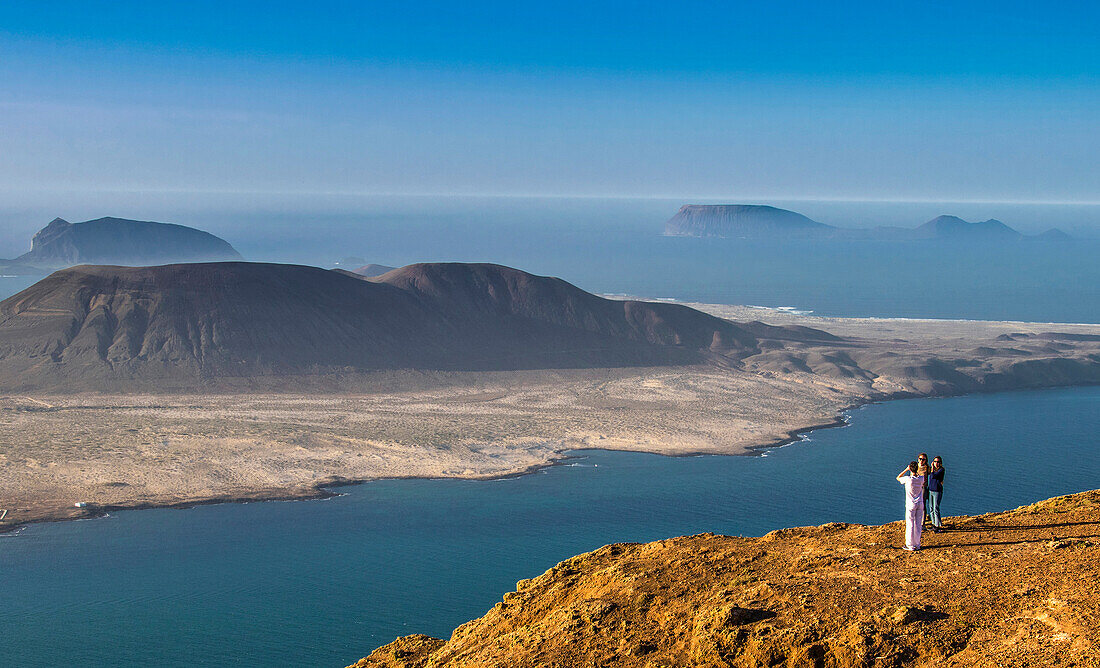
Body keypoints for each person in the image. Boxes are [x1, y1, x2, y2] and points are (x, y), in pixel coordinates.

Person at [896, 461, 925, 551]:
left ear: (910, 468)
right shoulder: (921, 478)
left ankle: (910, 545)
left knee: (910, 524)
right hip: (920, 503)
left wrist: (906, 469)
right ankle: (917, 544)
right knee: (918, 524)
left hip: (910, 504)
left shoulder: (908, 479)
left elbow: (898, 477)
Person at [927, 456, 945, 532]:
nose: (936, 463)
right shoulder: (932, 470)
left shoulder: (941, 470)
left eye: (938, 462)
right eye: (935, 461)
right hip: (931, 490)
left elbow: (934, 476)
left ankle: (937, 526)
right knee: (931, 508)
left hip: (937, 491)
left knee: (936, 508)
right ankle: (934, 524)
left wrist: (932, 468)